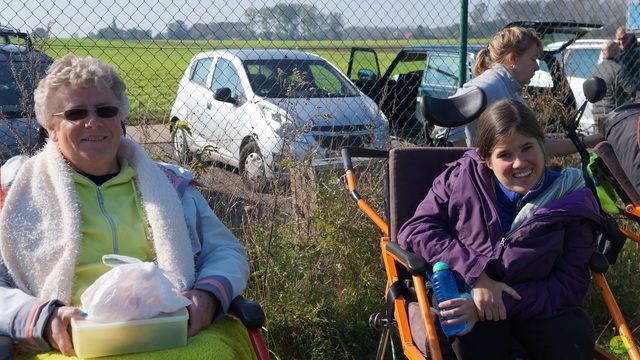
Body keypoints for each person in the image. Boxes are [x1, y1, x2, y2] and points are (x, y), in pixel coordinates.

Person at [0, 54, 253, 358]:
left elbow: (226, 251)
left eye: (106, 110)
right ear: (51, 128)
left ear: (120, 119)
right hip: (72, 344)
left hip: (171, 331)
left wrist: (208, 294)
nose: (93, 122)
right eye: (76, 113)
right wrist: (40, 316)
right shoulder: (15, 194)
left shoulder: (170, 186)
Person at [399, 99, 602, 359]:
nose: (519, 163)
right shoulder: (461, 179)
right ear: (487, 160)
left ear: (543, 145)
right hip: (467, 290)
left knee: (573, 340)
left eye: (527, 148)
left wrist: (499, 302)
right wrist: (477, 276)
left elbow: (568, 285)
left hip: (533, 302)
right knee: (478, 339)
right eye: (505, 154)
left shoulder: (572, 201)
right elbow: (418, 230)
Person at [434, 26, 604, 155]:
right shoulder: (491, 86)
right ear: (513, 58)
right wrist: (469, 163)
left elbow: (538, 144)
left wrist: (586, 141)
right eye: (533, 59)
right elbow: (446, 117)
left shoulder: (510, 91)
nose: (537, 67)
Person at [591, 40, 640, 130]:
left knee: (599, 141)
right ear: (615, 52)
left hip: (597, 113)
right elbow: (632, 89)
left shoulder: (595, 70)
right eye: (619, 51)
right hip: (613, 113)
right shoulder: (618, 69)